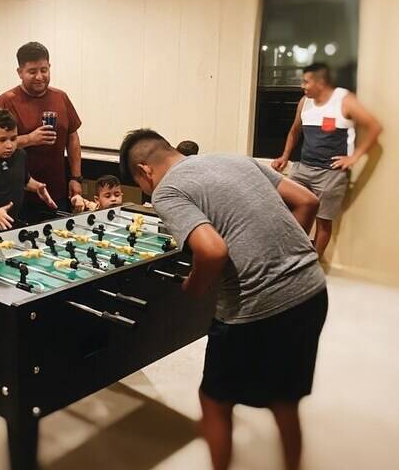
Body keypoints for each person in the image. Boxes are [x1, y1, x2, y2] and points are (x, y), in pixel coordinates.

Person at [120, 129, 327, 470]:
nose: (147, 192)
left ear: (145, 170)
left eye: (142, 185)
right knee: (284, 400)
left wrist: (194, 288)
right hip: (312, 289)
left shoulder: (167, 190)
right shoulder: (234, 159)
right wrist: (280, 257)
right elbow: (308, 201)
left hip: (256, 306)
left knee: (214, 401)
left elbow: (212, 251)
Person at [271, 62, 382, 259]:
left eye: (306, 82)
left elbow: (375, 127)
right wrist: (285, 156)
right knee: (288, 213)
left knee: (323, 222)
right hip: (303, 168)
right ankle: (290, 258)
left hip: (330, 174)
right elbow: (295, 131)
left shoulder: (344, 100)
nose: (302, 86)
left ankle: (312, 263)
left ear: (321, 82)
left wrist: (354, 157)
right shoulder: (304, 102)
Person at [0, 42, 82, 222]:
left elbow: (72, 138)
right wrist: (29, 139)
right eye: (32, 71)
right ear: (20, 72)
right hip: (17, 196)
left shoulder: (61, 97)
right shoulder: (7, 101)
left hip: (57, 192)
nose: (39, 77)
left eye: (44, 70)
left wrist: (76, 177)